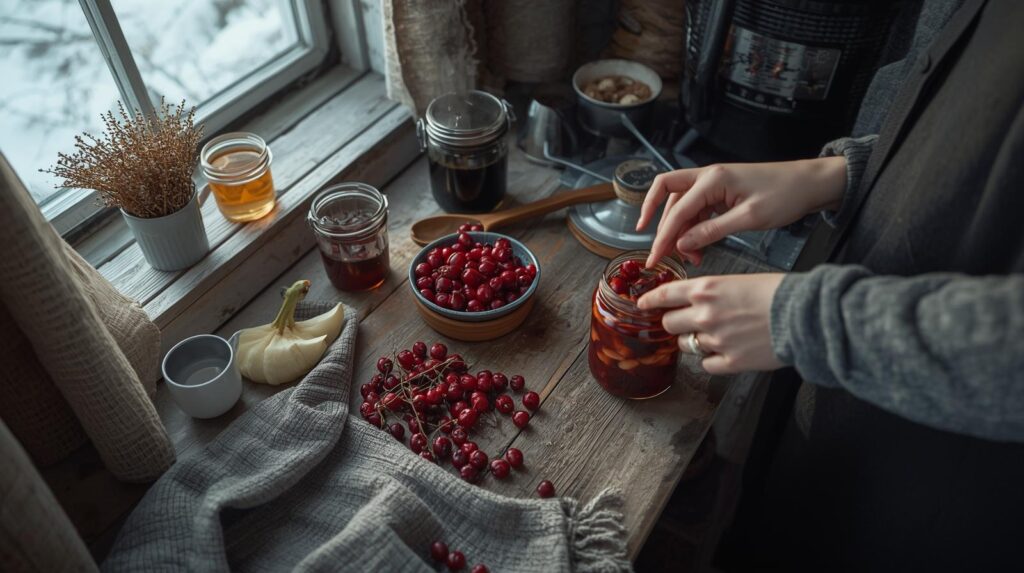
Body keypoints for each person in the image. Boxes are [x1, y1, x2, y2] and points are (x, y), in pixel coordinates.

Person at [636, 0, 1024, 569]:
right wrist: (836, 174)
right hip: (843, 408)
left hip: (947, 491)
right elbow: (969, 128)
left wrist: (807, 320)